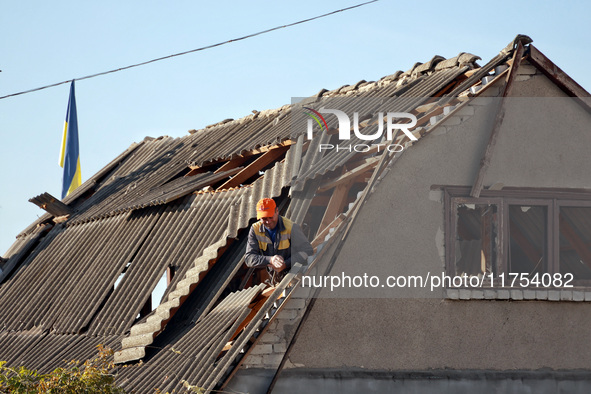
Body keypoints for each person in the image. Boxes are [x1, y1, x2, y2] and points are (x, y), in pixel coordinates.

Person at [245, 198, 313, 282]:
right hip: (276, 279)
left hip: (296, 276)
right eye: (264, 218)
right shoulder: (255, 229)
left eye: (270, 217)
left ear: (277, 211)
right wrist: (270, 259)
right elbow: (249, 259)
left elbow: (308, 251)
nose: (268, 221)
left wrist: (285, 264)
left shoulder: (291, 227)